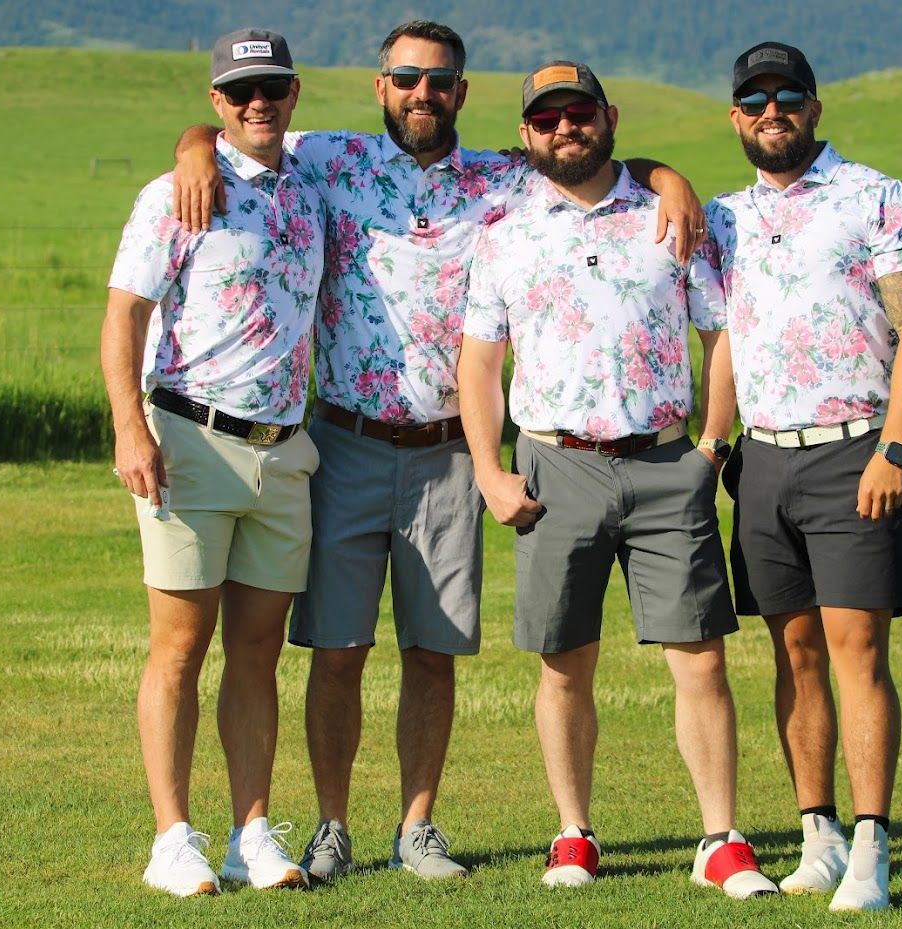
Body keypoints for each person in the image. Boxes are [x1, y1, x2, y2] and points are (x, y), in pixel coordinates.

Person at [169, 21, 708, 882]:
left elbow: (594, 164)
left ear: (461, 92)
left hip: (452, 452)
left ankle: (418, 825)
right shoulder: (328, 159)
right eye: (407, 78)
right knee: (338, 650)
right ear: (382, 86)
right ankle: (332, 824)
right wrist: (193, 144)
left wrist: (666, 176)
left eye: (440, 81)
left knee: (433, 649)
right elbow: (237, 131)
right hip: (343, 441)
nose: (423, 93)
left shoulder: (503, 175)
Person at [458, 60, 777, 899]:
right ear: (528, 133)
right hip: (554, 463)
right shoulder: (502, 230)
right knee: (564, 663)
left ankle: (720, 839)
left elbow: (721, 333)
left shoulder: (669, 218)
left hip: (667, 460)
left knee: (701, 659)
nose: (567, 127)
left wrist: (711, 446)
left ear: (610, 117)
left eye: (581, 112)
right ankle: (573, 832)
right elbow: (481, 362)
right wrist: (489, 471)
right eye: (549, 117)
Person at [706, 41, 902, 912]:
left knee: (857, 653)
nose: (774, 111)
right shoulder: (723, 217)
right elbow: (723, 336)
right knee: (792, 649)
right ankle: (819, 834)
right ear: (736, 116)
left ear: (815, 106)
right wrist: (713, 442)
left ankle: (873, 849)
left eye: (789, 97)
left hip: (855, 450)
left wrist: (895, 446)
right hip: (762, 459)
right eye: (756, 99)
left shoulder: (877, 197)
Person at [101, 27, 324, 897]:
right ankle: (172, 838)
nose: (256, 104)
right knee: (181, 646)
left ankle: (251, 832)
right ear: (216, 104)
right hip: (189, 439)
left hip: (284, 449)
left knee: (259, 651)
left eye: (271, 89)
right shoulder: (175, 194)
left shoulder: (313, 186)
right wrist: (131, 426)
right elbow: (124, 317)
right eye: (238, 94)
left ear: (295, 93)